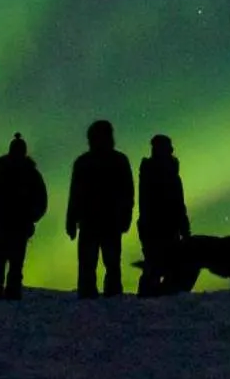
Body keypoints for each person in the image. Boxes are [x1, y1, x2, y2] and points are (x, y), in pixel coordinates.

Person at [65, 118, 135, 298]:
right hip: (93, 221)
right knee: (90, 263)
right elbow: (75, 194)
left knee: (110, 263)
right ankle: (94, 295)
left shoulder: (116, 161)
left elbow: (127, 192)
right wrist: (71, 221)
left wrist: (125, 216)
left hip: (108, 221)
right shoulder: (85, 162)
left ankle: (108, 295)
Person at [0, 134, 48, 300]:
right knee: (13, 264)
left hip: (5, 225)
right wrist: (32, 217)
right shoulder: (30, 173)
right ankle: (11, 295)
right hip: (15, 226)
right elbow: (41, 201)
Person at [136, 133, 192, 296]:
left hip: (168, 228)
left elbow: (179, 205)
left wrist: (184, 229)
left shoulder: (171, 175)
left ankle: (161, 298)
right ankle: (147, 299)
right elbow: (147, 203)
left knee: (169, 268)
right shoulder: (150, 173)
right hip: (153, 227)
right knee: (154, 267)